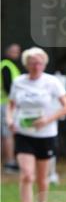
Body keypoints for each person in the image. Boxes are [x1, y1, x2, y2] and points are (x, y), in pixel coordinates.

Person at [6, 47, 66, 202]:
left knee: (42, 179)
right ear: (26, 64)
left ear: (44, 64)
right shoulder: (19, 82)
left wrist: (47, 120)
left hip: (46, 135)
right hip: (24, 134)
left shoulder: (52, 82)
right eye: (32, 63)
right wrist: (10, 120)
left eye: (39, 63)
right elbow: (11, 105)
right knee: (27, 175)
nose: (36, 66)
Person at [1, 43, 22, 172]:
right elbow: (8, 87)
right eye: (14, 51)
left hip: (4, 103)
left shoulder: (8, 65)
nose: (16, 54)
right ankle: (9, 162)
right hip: (6, 104)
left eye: (18, 51)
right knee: (8, 133)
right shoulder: (7, 66)